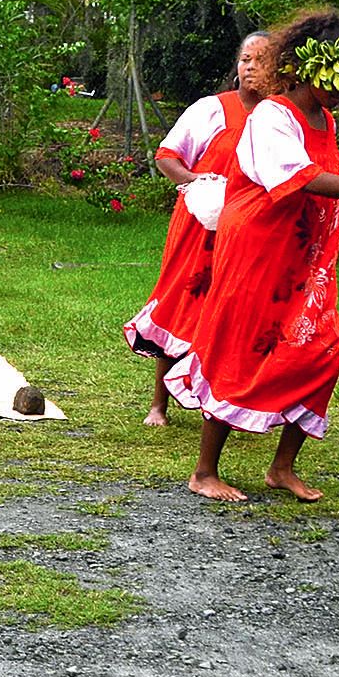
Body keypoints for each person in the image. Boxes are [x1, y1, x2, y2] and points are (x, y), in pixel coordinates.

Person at [166, 9, 339, 503]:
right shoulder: (272, 115)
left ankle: (282, 468)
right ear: (308, 68)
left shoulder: (326, 118)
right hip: (258, 253)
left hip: (306, 259)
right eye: (338, 80)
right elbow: (296, 177)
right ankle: (204, 471)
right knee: (240, 348)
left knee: (320, 352)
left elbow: (324, 172)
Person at [124, 31, 269, 426]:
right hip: (200, 226)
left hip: (251, 231)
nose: (251, 66)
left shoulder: (282, 118)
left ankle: (225, 404)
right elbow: (167, 157)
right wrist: (201, 187)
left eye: (261, 59)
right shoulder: (212, 109)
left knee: (235, 314)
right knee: (182, 302)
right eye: (245, 59)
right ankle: (159, 403)